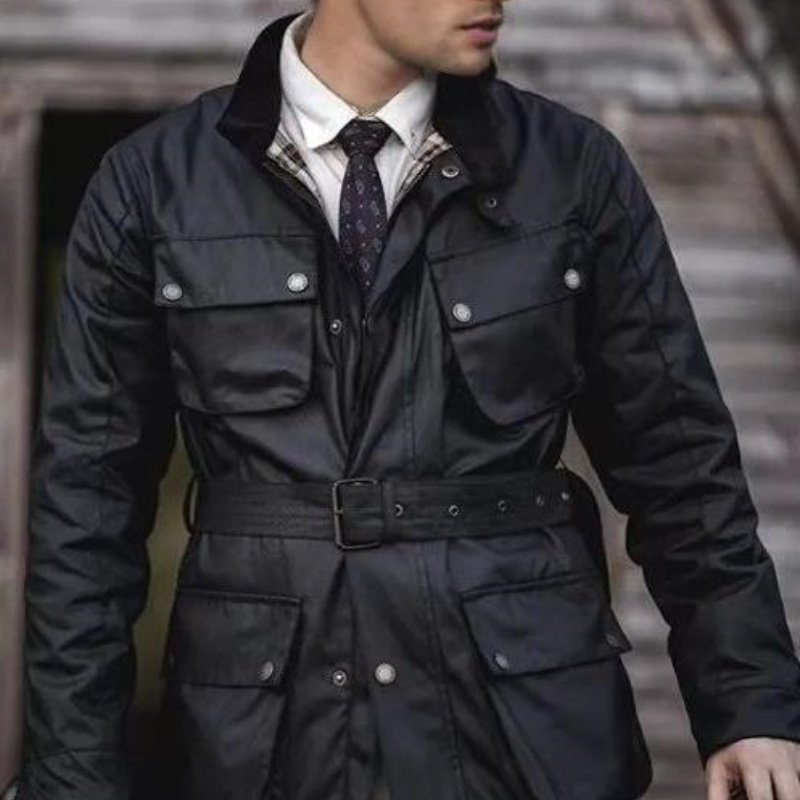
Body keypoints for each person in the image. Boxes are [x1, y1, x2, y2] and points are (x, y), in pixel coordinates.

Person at [13, 0, 800, 798]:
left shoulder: (570, 170)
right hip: (261, 743)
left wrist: (750, 704)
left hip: (522, 739)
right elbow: (87, 508)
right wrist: (72, 777)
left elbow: (680, 463)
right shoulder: (154, 184)